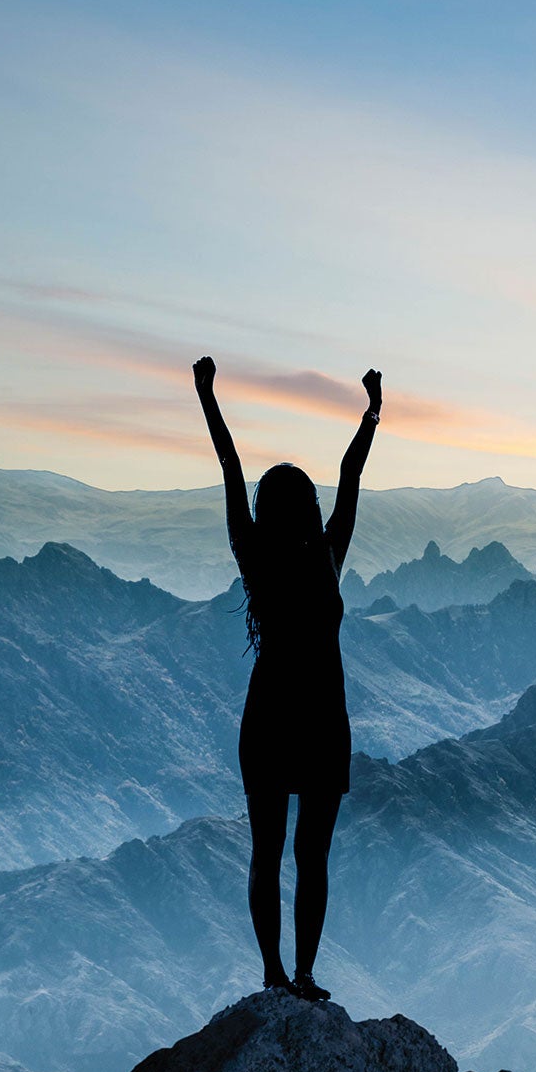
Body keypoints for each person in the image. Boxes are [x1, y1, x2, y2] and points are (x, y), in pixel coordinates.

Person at [194, 355, 380, 1001]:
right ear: (306, 507)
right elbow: (350, 474)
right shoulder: (327, 556)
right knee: (302, 856)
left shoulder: (255, 553)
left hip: (275, 716)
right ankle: (295, 974)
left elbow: (229, 465)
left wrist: (207, 394)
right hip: (321, 717)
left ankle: (280, 974)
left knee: (276, 853)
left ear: (264, 509)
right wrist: (371, 412)